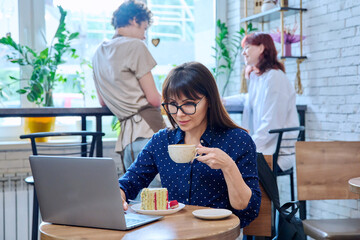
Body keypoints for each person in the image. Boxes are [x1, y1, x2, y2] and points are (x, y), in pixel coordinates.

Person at [119, 62, 261, 228]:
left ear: (209, 100)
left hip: (220, 235)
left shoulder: (237, 140)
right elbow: (129, 182)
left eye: (188, 104)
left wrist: (228, 166)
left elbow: (249, 210)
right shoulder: (162, 141)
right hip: (174, 232)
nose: (179, 114)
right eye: (172, 104)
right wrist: (118, 194)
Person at [92, 0, 165, 176]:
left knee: (135, 199)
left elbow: (103, 101)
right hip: (149, 130)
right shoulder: (135, 46)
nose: (144, 36)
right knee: (159, 199)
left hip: (126, 140)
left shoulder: (98, 53)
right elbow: (154, 99)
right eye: (144, 29)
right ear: (133, 20)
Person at [223, 32, 299, 172]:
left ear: (261, 48)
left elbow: (271, 123)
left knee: (230, 165)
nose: (243, 53)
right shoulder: (259, 77)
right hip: (265, 144)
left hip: (277, 151)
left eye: (247, 48)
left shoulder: (275, 78)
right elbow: (248, 99)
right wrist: (221, 101)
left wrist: (247, 147)